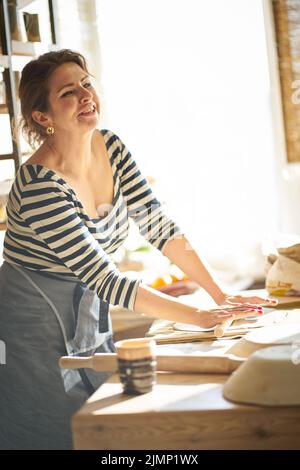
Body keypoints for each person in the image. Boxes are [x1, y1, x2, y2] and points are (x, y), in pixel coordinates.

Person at [0, 49, 277, 450]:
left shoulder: (111, 147)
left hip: (84, 318)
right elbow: (105, 279)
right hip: (31, 334)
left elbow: (160, 228)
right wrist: (201, 317)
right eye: (67, 93)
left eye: (86, 84)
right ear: (43, 117)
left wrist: (220, 295)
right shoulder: (39, 184)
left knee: (103, 425)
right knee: (54, 434)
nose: (84, 96)